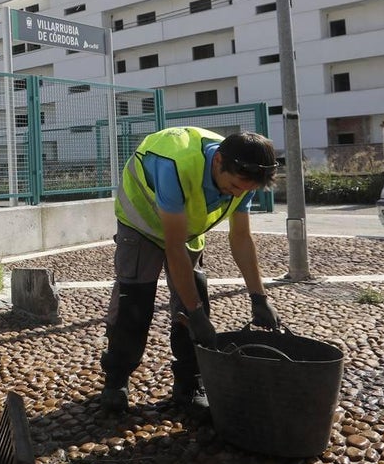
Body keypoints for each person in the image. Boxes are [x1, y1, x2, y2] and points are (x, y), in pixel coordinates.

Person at [100, 126, 280, 414]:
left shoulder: (245, 173)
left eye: (246, 191)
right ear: (218, 161)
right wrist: (195, 315)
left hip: (185, 229)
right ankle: (116, 380)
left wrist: (258, 297)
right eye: (235, 187)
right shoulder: (175, 164)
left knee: (195, 296)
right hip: (142, 224)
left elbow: (241, 238)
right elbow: (174, 248)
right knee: (134, 302)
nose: (238, 194)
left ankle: (190, 384)